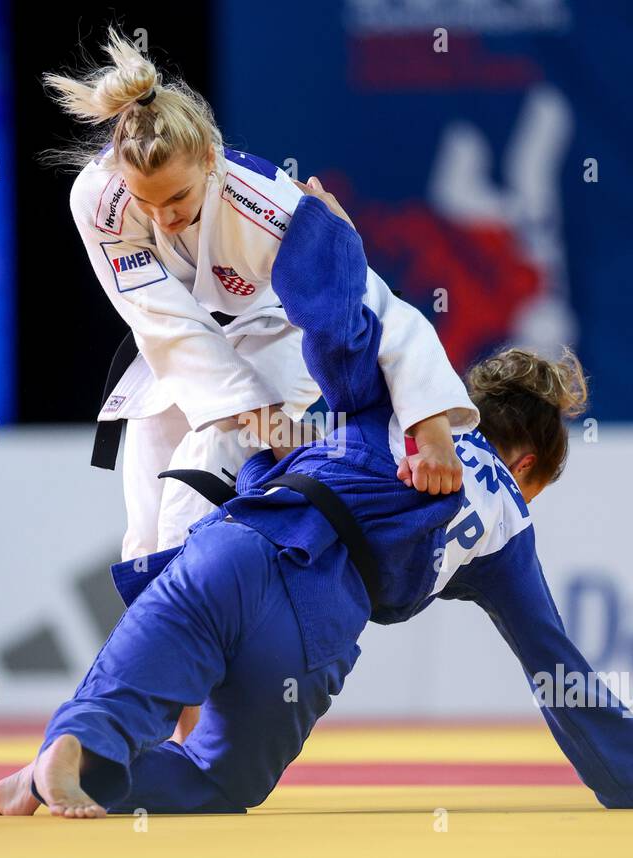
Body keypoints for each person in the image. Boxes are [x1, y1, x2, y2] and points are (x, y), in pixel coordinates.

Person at [0, 181, 633, 818]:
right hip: (307, 628)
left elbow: (337, 326)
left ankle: (67, 754)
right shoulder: (505, 523)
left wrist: (318, 232)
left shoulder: (395, 405)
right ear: (523, 464)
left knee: (135, 679)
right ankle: (107, 775)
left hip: (236, 541)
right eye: (537, 486)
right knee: (218, 778)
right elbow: (557, 669)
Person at [46, 27, 477, 564]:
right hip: (184, 347)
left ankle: (194, 622)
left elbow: (373, 303)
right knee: (145, 523)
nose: (164, 217)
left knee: (198, 470)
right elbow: (163, 323)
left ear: (209, 158)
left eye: (178, 197)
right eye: (148, 202)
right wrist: (265, 420)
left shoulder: (269, 208)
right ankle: (151, 633)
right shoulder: (97, 198)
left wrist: (429, 426)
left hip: (277, 330)